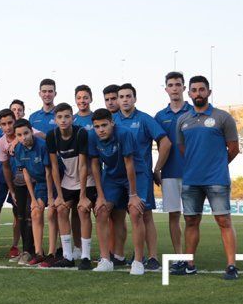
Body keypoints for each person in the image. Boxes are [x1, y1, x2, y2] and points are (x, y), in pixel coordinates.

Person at [173, 76, 240, 280]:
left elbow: (234, 148)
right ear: (189, 93)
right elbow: (184, 149)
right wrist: (198, 165)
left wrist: (217, 164)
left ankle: (231, 266)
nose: (198, 93)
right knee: (191, 221)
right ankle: (189, 264)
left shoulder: (223, 117)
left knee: (223, 220)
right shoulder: (182, 120)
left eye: (202, 89)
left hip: (217, 179)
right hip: (192, 180)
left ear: (209, 92)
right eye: (194, 90)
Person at [114, 83, 171, 271]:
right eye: (121, 97)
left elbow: (165, 142)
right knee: (121, 215)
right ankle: (132, 254)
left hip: (140, 175)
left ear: (135, 98)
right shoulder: (112, 120)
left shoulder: (145, 119)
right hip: (117, 176)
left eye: (128, 96)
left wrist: (157, 169)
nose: (124, 100)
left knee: (144, 215)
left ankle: (153, 257)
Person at [87, 108, 145, 274]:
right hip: (112, 176)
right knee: (101, 211)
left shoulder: (124, 134)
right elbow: (95, 166)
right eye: (97, 126)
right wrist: (100, 196)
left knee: (135, 211)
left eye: (104, 125)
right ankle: (106, 260)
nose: (101, 130)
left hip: (135, 174)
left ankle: (138, 262)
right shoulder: (92, 137)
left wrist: (133, 195)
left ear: (112, 122)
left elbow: (129, 164)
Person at [47, 103, 97, 269]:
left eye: (67, 116)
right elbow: (54, 167)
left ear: (73, 118)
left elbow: (83, 166)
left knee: (83, 210)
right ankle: (67, 256)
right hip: (68, 179)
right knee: (61, 209)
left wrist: (82, 195)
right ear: (55, 120)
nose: (63, 120)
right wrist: (59, 195)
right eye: (60, 117)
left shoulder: (81, 133)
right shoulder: (52, 136)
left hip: (86, 179)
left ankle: (85, 257)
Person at [155, 72, 192, 255]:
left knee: (191, 217)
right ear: (166, 89)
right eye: (171, 85)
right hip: (169, 173)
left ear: (184, 88)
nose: (175, 88)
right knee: (174, 215)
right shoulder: (160, 116)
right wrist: (157, 168)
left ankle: (189, 256)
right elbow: (160, 145)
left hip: (192, 173)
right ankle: (179, 256)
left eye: (178, 84)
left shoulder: (194, 112)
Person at [12, 120, 53, 266]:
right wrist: (33, 199)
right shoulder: (18, 149)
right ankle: (38, 253)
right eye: (19, 135)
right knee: (35, 212)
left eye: (26, 133)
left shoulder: (42, 145)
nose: (23, 137)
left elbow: (49, 173)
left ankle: (55, 251)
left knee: (54, 213)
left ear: (31, 132)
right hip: (39, 184)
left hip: (55, 181)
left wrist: (50, 196)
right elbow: (26, 175)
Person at [0, 110, 34, 264]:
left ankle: (32, 251)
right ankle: (25, 250)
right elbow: (5, 167)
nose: (7, 127)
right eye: (3, 124)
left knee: (30, 214)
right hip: (17, 182)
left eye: (10, 122)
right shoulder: (1, 142)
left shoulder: (24, 130)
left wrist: (19, 139)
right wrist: (11, 190)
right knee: (20, 216)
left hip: (33, 181)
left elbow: (41, 136)